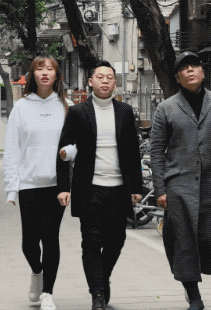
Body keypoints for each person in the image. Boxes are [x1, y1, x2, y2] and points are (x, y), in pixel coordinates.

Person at [150, 51, 211, 310]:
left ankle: (192, 279)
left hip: (210, 181)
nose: (190, 70)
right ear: (178, 77)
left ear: (202, 72)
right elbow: (156, 151)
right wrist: (160, 189)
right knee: (184, 239)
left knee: (209, 237)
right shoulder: (166, 108)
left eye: (194, 66)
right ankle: (193, 294)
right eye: (184, 68)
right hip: (178, 183)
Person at [56, 61, 143, 310]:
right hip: (90, 187)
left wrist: (136, 187)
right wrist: (63, 187)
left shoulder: (125, 111)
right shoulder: (78, 112)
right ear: (90, 81)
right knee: (92, 241)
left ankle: (102, 280)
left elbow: (132, 152)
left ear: (115, 83)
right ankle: (97, 294)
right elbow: (63, 150)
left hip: (119, 188)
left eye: (109, 77)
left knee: (117, 240)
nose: (105, 81)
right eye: (100, 77)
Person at [3, 55, 73, 310]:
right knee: (29, 243)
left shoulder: (67, 106)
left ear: (57, 76)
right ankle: (36, 271)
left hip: (57, 185)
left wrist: (69, 153)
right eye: (39, 69)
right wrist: (11, 188)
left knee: (50, 238)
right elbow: (12, 149)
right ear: (32, 75)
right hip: (29, 184)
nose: (45, 73)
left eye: (50, 69)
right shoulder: (22, 107)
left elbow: (77, 144)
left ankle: (47, 293)